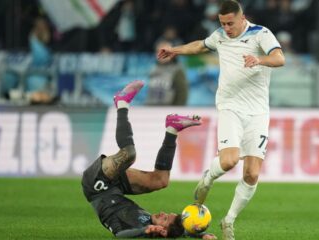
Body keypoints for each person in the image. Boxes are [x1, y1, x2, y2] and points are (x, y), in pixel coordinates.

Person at [157, 1, 285, 240]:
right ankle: (208, 177)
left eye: (230, 23)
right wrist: (175, 49)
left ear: (242, 18)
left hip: (258, 113)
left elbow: (279, 58)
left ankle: (229, 220)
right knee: (228, 162)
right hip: (230, 108)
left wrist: (259, 60)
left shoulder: (261, 34)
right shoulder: (220, 36)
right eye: (223, 24)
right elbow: (200, 46)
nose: (226, 28)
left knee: (252, 174)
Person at [81, 80, 216, 239]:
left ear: (161, 231)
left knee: (129, 154)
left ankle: (122, 102)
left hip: (96, 185)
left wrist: (144, 231)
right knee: (161, 180)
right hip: (115, 187)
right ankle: (172, 128)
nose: (162, 213)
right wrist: (201, 236)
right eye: (168, 214)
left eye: (165, 218)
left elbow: (120, 235)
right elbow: (180, 231)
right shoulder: (159, 226)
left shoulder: (141, 227)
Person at [145, 39, 188, 106]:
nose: (162, 55)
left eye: (165, 52)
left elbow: (182, 94)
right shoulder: (152, 68)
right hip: (150, 109)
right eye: (158, 51)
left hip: (167, 110)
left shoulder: (177, 70)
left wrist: (176, 112)